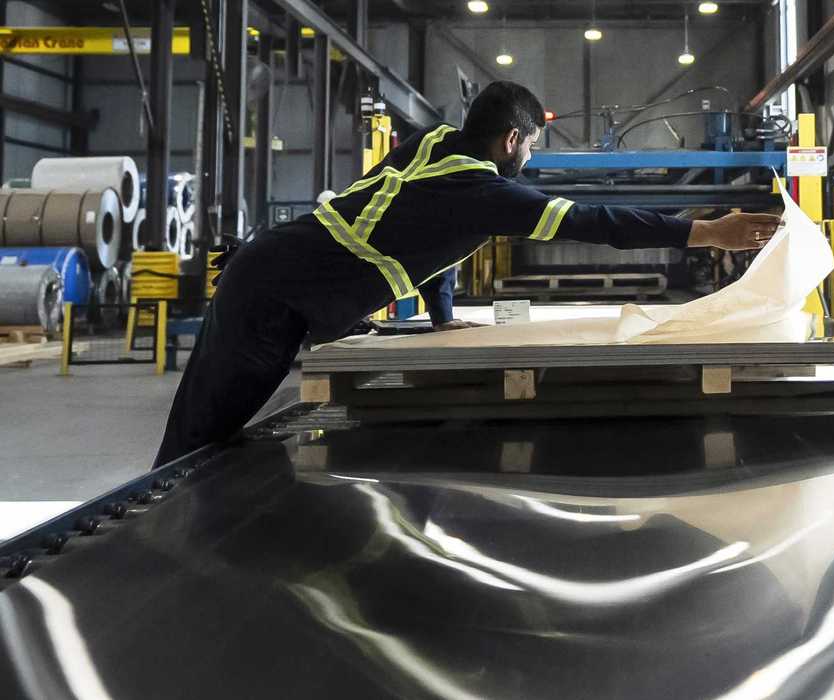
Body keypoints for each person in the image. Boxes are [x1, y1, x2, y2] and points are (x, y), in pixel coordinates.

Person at [153, 80, 780, 467]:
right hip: (272, 293)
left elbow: (434, 241)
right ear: (511, 140)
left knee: (205, 429)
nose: (532, 157)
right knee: (200, 441)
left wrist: (444, 318)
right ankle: (153, 566)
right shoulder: (485, 191)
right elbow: (596, 221)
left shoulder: (435, 144)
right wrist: (703, 229)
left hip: (273, 274)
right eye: (532, 144)